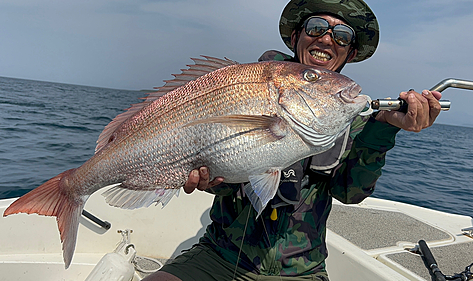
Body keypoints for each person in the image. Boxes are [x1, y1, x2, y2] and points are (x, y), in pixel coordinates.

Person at [144, 0, 442, 280]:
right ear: (296, 37)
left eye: (341, 36)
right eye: (315, 28)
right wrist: (211, 182)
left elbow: (350, 193)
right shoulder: (249, 89)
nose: (326, 39)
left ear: (350, 53)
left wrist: (384, 129)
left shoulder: (357, 122)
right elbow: (220, 164)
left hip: (303, 271)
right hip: (221, 254)